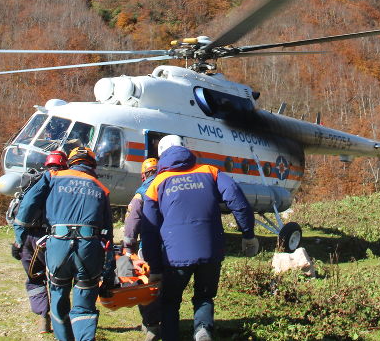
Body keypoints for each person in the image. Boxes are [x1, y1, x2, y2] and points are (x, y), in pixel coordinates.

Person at [141, 135, 259, 341]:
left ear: (161, 156)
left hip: (174, 254)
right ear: (185, 149)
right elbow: (236, 198)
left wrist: (155, 268)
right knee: (204, 297)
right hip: (211, 250)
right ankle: (202, 330)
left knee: (170, 301)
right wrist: (248, 234)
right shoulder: (210, 171)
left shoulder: (156, 183)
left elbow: (148, 229)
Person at [16, 146, 113, 341]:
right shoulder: (101, 188)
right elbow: (107, 233)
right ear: (92, 165)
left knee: (59, 299)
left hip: (58, 245)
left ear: (71, 162)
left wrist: (20, 236)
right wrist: (109, 268)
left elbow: (28, 205)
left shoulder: (52, 177)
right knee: (84, 305)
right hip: (89, 247)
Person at [12, 150, 69, 334]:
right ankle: (58, 319)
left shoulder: (40, 182)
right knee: (57, 280)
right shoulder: (65, 184)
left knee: (35, 278)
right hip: (53, 238)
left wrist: (19, 241)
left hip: (31, 238)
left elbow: (25, 211)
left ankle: (43, 317)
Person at [122, 157, 162, 340]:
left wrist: (128, 248)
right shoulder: (169, 185)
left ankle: (151, 324)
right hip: (174, 248)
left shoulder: (141, 193)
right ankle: (169, 323)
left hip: (149, 249)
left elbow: (132, 222)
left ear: (144, 175)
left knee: (147, 287)